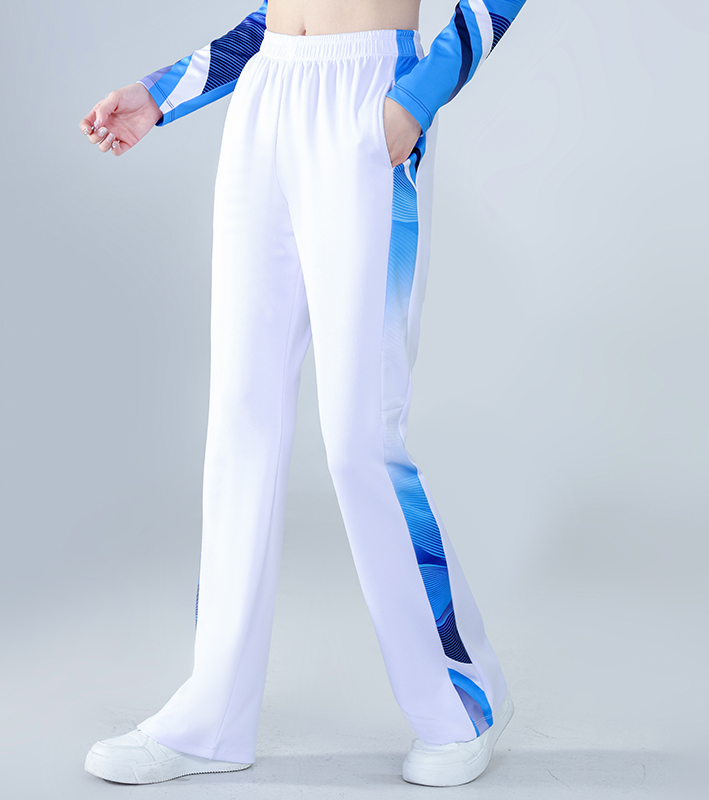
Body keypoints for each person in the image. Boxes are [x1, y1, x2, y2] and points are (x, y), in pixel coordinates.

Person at [79, 0, 528, 787]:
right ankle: (212, 718)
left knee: (360, 438)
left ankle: (462, 704)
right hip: (266, 99)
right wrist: (162, 92)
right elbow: (277, 16)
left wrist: (416, 98)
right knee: (239, 423)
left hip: (370, 96)